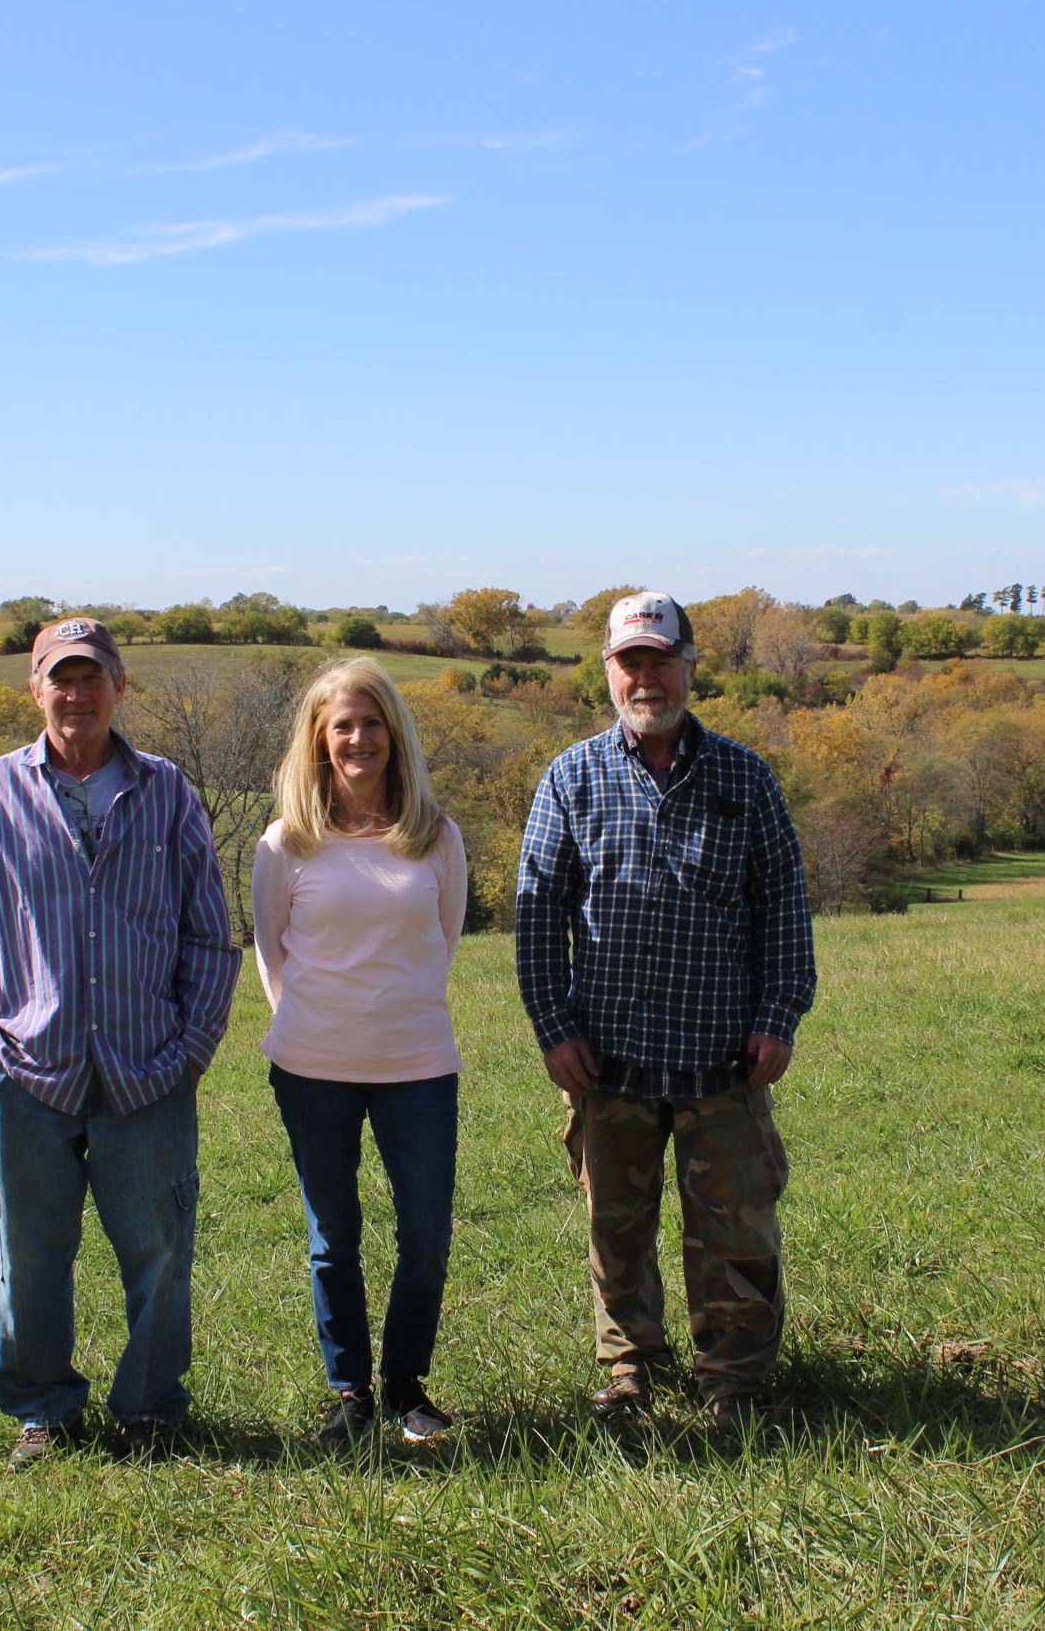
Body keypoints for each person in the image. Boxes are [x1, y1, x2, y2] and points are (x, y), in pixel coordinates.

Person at [0, 616, 240, 1464]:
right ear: (35, 690)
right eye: (59, 678)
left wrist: (192, 1051)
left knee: (161, 1250)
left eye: (92, 676)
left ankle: (149, 1409)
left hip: (149, 1069)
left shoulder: (168, 791)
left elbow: (211, 936)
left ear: (120, 686)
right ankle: (45, 1408)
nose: (77, 693)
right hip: (29, 1071)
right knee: (27, 1253)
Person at [514, 590, 817, 1427]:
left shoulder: (745, 779)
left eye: (659, 659)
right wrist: (554, 1026)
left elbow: (784, 905)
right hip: (606, 1057)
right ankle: (629, 1370)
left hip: (724, 1054)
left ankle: (737, 1380)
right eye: (629, 662)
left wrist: (778, 1015)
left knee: (737, 1230)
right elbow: (537, 910)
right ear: (609, 671)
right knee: (617, 1230)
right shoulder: (571, 778)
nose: (645, 677)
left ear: (690, 665)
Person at [252, 658, 468, 1447]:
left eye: (371, 722)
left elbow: (442, 942)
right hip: (311, 1068)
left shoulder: (435, 835)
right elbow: (269, 950)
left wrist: (391, 1013)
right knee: (330, 1235)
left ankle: (408, 1385)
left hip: (417, 1065)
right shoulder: (286, 843)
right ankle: (349, 1391)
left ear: (394, 734)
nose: (357, 738)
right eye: (341, 724)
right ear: (318, 738)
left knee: (426, 1235)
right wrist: (311, 1022)